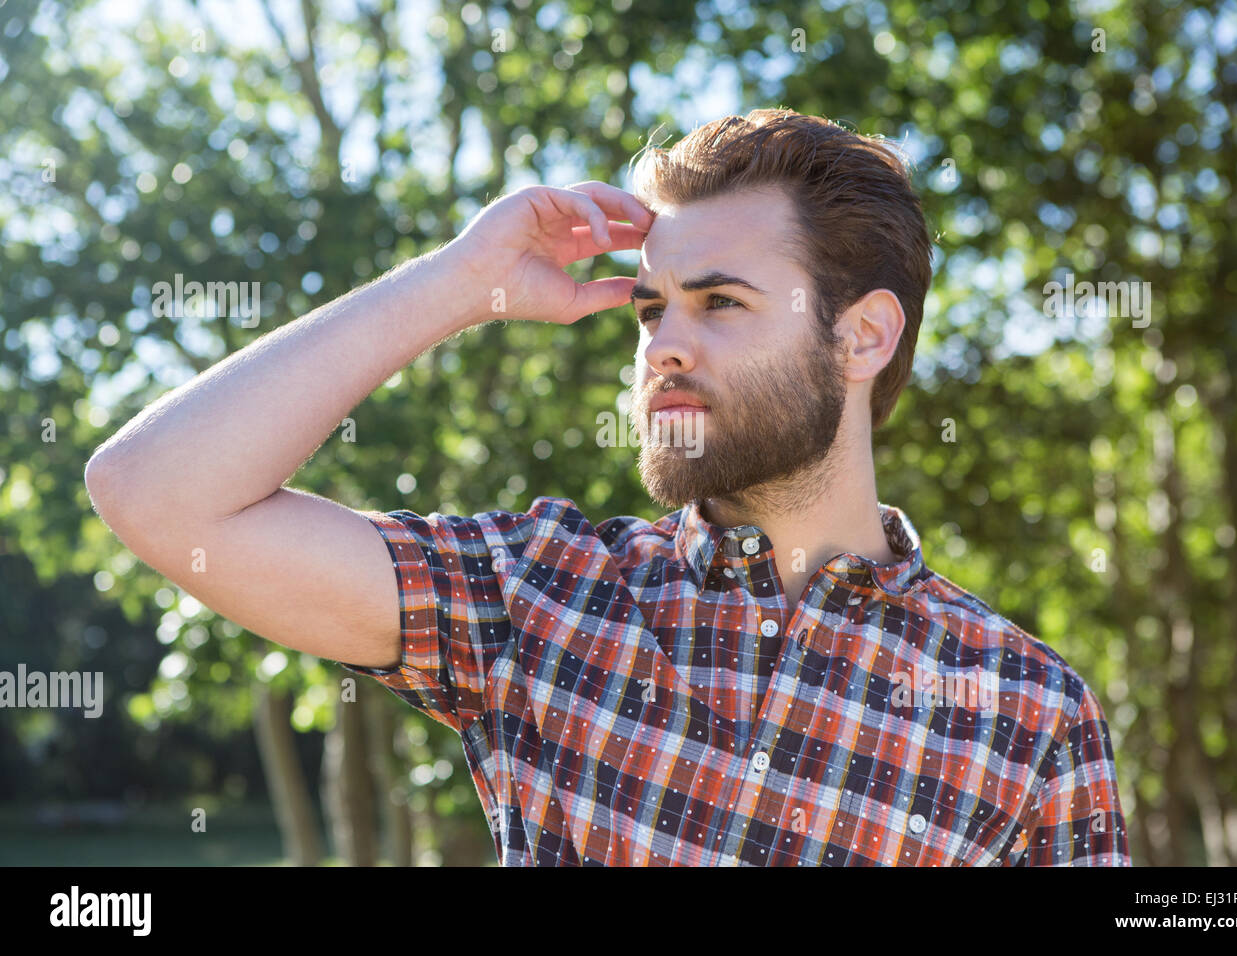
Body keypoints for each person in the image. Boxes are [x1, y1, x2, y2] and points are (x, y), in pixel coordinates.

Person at [85, 108, 1130, 866]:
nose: (662, 346)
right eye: (648, 310)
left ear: (859, 335)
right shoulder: (543, 595)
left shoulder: (1027, 711)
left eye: (719, 303)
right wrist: (463, 278)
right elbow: (156, 491)